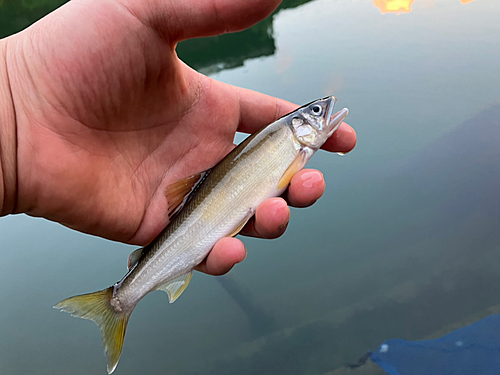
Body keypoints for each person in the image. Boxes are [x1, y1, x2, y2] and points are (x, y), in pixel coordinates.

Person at [0, 0, 356, 275]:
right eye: (313, 113)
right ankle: (122, 298)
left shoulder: (289, 139)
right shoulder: (291, 141)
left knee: (248, 229)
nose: (320, 111)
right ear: (300, 128)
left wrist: (17, 111)